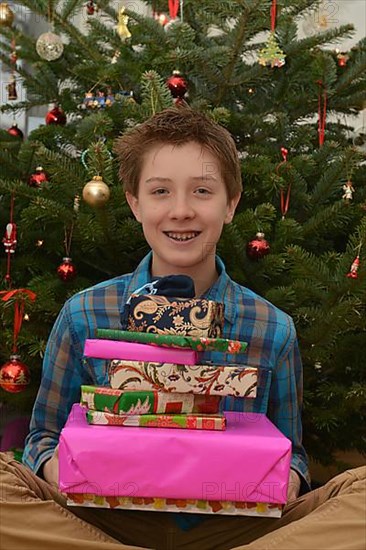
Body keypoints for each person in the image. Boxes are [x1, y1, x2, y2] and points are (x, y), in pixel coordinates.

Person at [1, 107, 365, 550]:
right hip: (104, 523)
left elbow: (291, 452)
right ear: (135, 203)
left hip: (230, 528)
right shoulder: (85, 313)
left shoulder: (272, 329)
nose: (180, 211)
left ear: (230, 204)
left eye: (202, 191)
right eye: (160, 192)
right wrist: (68, 468)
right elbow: (43, 437)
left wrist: (287, 477)